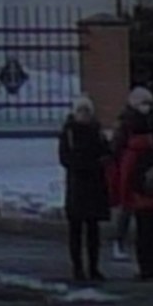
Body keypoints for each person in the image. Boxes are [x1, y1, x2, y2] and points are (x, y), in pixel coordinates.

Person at [110, 91, 153, 284]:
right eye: (143, 103)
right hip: (134, 170)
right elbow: (117, 146)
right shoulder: (126, 121)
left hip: (152, 167)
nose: (147, 106)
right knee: (141, 222)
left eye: (149, 103)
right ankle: (145, 265)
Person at [56, 99, 113, 285]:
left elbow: (107, 152)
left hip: (95, 186)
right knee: (76, 229)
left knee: (93, 230)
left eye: (87, 111)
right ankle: (78, 267)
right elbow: (65, 158)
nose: (84, 114)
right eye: (81, 111)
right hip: (77, 185)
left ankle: (94, 267)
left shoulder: (97, 132)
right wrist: (88, 163)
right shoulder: (69, 132)